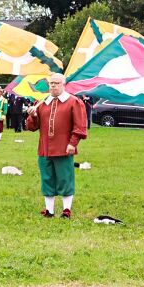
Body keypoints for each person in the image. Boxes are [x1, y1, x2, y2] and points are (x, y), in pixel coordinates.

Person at [24, 73, 88, 218]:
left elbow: (80, 126)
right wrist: (33, 116)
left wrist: (73, 143)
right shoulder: (42, 102)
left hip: (64, 147)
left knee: (65, 178)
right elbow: (32, 127)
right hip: (45, 147)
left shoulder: (73, 102)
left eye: (56, 83)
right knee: (47, 178)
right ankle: (49, 210)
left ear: (63, 84)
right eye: (51, 83)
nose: (53, 86)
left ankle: (66, 209)